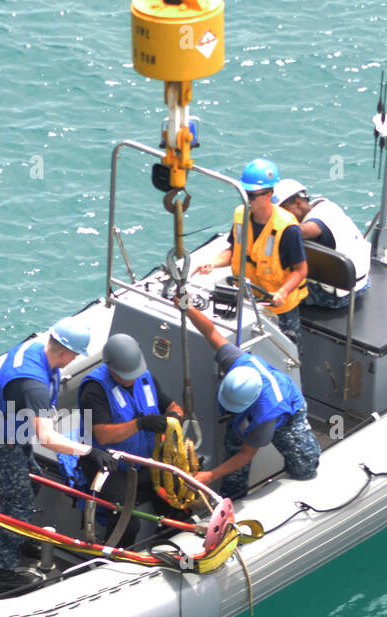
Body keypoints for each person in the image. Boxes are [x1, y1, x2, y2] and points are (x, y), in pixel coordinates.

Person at [0, 317, 115, 595]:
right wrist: (88, 451)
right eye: (74, 355)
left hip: (12, 427)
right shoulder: (32, 383)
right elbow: (47, 438)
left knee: (34, 479)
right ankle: (2, 574)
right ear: (65, 353)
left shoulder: (37, 351)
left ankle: (19, 536)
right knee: (17, 504)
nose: (74, 359)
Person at [177, 298, 320, 498]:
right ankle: (233, 495)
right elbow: (210, 332)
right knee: (234, 462)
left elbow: (246, 454)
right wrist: (188, 308)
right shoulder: (238, 362)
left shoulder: (266, 415)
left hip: (287, 412)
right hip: (248, 407)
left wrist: (210, 475)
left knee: (305, 466)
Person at [76, 333, 186, 547]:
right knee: (126, 520)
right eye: (124, 374)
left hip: (144, 461)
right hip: (109, 465)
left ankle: (169, 544)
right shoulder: (93, 390)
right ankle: (110, 556)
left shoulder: (145, 378)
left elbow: (173, 406)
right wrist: (140, 424)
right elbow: (102, 434)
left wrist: (175, 417)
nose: (131, 378)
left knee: (176, 498)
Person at [193, 157, 308, 343]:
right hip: (246, 301)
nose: (246, 199)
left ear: (269, 195)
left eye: (251, 196)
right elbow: (234, 252)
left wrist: (283, 292)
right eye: (244, 194)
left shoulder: (287, 228)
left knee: (286, 352)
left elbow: (300, 270)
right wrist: (212, 263)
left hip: (279, 308)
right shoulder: (240, 215)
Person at [271, 178, 370, 309]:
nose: (279, 217)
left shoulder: (313, 225)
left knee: (271, 287)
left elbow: (300, 231)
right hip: (361, 283)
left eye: (281, 212)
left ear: (298, 203)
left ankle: (288, 327)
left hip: (336, 296)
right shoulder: (326, 206)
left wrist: (266, 223)